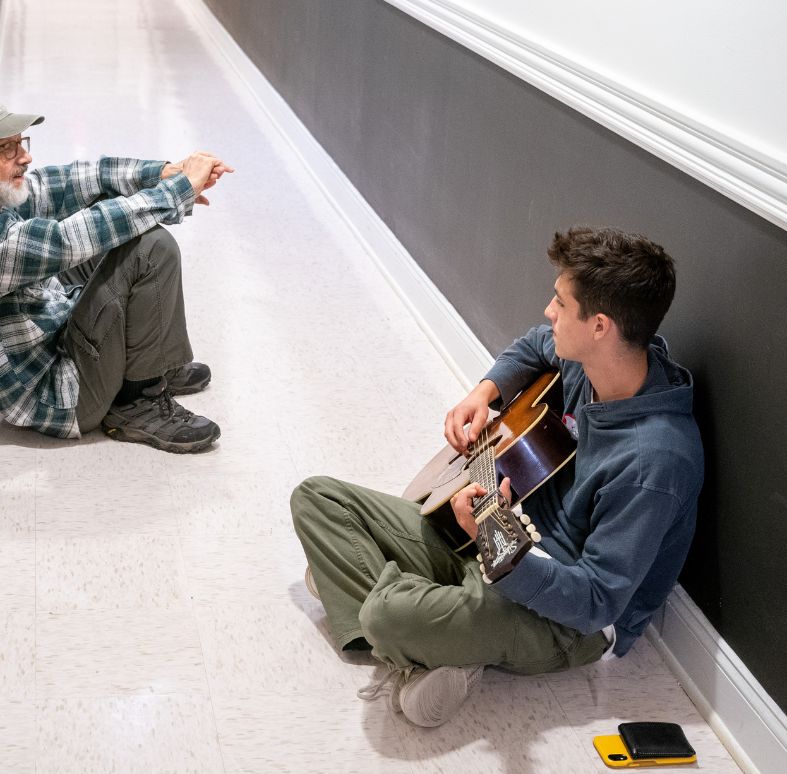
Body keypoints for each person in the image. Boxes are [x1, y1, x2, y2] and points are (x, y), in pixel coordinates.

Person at [291, 226, 704, 727]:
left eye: (559, 302)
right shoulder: (601, 360)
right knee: (316, 499)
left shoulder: (654, 463)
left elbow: (596, 601)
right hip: (505, 530)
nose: (548, 312)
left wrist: (493, 541)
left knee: (384, 613)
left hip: (566, 616)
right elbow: (534, 346)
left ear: (599, 326)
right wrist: (483, 393)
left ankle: (394, 622)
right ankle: (431, 641)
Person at [0, 99, 233, 453]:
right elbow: (63, 241)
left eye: (21, 143)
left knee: (116, 230)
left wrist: (160, 174)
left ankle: (147, 361)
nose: (24, 157)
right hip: (60, 393)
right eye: (6, 148)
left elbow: (63, 182)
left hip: (54, 332)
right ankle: (136, 400)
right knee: (151, 247)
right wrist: (174, 193)